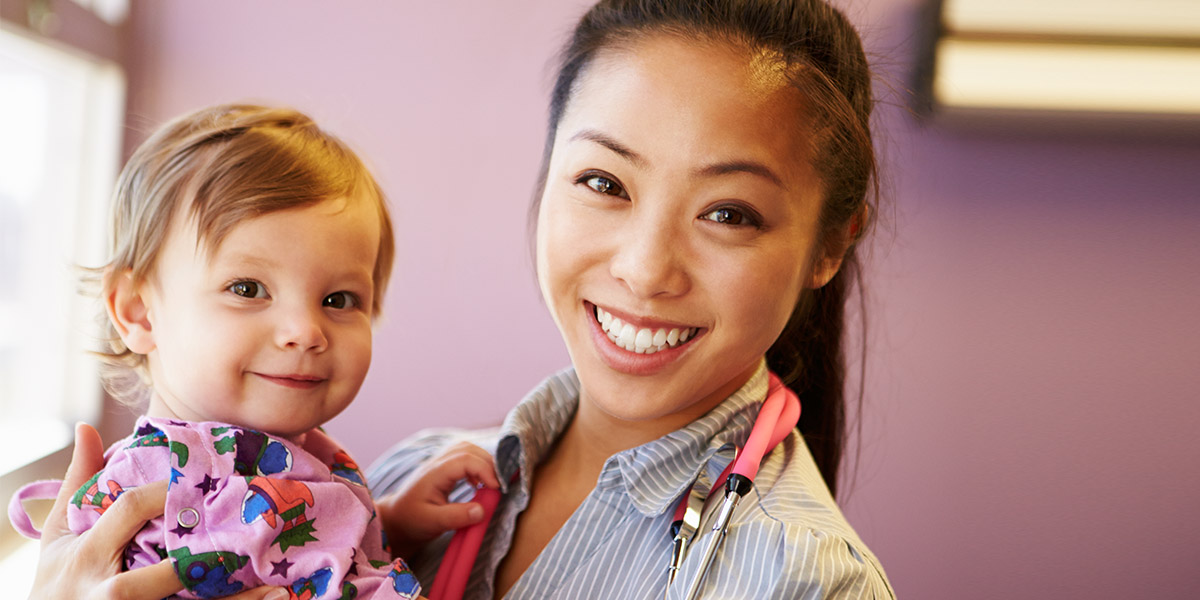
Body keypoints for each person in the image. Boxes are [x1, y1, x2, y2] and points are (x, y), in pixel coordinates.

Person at [30, 0, 896, 597]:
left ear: (830, 242)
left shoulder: (801, 578)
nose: (644, 268)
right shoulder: (416, 482)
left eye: (728, 213)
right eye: (603, 180)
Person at [12, 104, 499, 600]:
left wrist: (393, 523)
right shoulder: (156, 494)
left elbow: (305, 557)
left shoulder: (299, 453)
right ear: (139, 312)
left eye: (338, 300)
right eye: (247, 289)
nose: (305, 331)